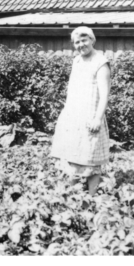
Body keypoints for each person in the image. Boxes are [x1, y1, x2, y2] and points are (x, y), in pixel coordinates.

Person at [50, 26, 111, 195]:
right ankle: (72, 194)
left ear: (92, 40)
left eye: (84, 40)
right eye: (77, 42)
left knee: (90, 155)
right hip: (74, 113)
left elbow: (104, 94)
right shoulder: (76, 60)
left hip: (91, 114)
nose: (80, 45)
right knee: (72, 153)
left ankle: (92, 196)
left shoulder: (101, 62)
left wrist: (98, 118)